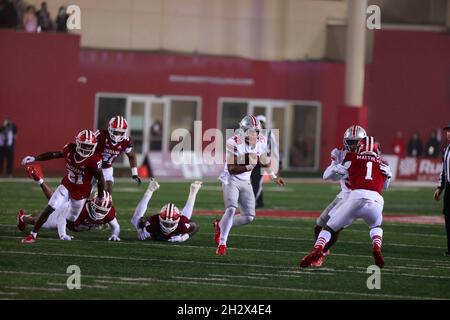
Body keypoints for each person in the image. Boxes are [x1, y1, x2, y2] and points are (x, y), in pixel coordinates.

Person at [300, 136, 392, 268]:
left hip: (355, 197)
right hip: (376, 200)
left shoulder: (351, 158)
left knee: (330, 228)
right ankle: (376, 247)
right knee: (376, 226)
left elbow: (336, 172)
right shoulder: (384, 164)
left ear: (360, 147)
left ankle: (318, 249)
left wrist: (342, 169)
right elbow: (386, 185)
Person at [213, 115, 285, 255]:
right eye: (251, 132)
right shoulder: (233, 142)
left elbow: (263, 159)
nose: (254, 135)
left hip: (245, 181)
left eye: (256, 132)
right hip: (231, 180)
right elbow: (231, 169)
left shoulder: (262, 140)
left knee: (249, 217)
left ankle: (221, 225)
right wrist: (248, 166)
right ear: (243, 131)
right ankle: (222, 243)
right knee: (231, 209)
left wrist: (273, 176)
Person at [20, 129, 105, 244]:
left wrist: (100, 196)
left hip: (81, 192)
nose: (86, 149)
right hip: (67, 185)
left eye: (89, 146)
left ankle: (51, 213)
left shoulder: (94, 160)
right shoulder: (70, 149)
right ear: (78, 143)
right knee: (51, 206)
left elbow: (101, 178)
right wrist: (36, 158)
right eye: (84, 145)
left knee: (72, 218)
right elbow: (54, 154)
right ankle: (33, 235)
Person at [312, 125, 366, 267]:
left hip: (355, 197)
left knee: (332, 227)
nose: (353, 145)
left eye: (357, 142)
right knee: (318, 225)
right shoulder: (339, 153)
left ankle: (321, 254)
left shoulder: (367, 157)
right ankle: (323, 249)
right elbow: (326, 175)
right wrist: (339, 167)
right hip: (343, 194)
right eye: (351, 141)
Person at [17, 165, 120, 241]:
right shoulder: (82, 208)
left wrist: (115, 235)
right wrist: (63, 235)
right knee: (39, 220)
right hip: (65, 219)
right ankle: (22, 217)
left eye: (102, 211)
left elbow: (116, 227)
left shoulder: (109, 213)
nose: (99, 213)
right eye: (97, 209)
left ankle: (40, 180)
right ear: (92, 203)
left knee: (54, 202)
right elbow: (62, 218)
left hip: (72, 214)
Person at [131, 179, 202, 242]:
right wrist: (140, 230)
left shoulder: (182, 223)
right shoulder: (153, 222)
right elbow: (141, 220)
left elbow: (195, 227)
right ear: (160, 219)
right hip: (156, 229)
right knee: (135, 220)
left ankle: (193, 192)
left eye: (171, 224)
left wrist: (184, 237)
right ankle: (150, 190)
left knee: (185, 221)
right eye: (166, 223)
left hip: (177, 225)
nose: (168, 226)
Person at [94, 116, 141, 193]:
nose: (118, 135)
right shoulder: (100, 135)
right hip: (93, 166)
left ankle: (103, 204)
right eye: (116, 132)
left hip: (106, 167)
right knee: (86, 191)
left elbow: (131, 156)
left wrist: (134, 173)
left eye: (121, 132)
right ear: (110, 128)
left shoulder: (126, 141)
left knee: (108, 189)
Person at [250, 115, 280, 208]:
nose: (261, 124)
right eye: (260, 122)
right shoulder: (252, 133)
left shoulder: (270, 134)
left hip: (263, 159)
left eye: (262, 122)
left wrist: (278, 161)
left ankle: (252, 202)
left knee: (258, 181)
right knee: (253, 181)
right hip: (253, 159)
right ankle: (260, 202)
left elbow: (274, 149)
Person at [434, 124, 450, 256]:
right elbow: (444, 171)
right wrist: (440, 187)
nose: (448, 133)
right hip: (449, 188)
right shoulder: (446, 149)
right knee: (448, 217)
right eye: (448, 131)